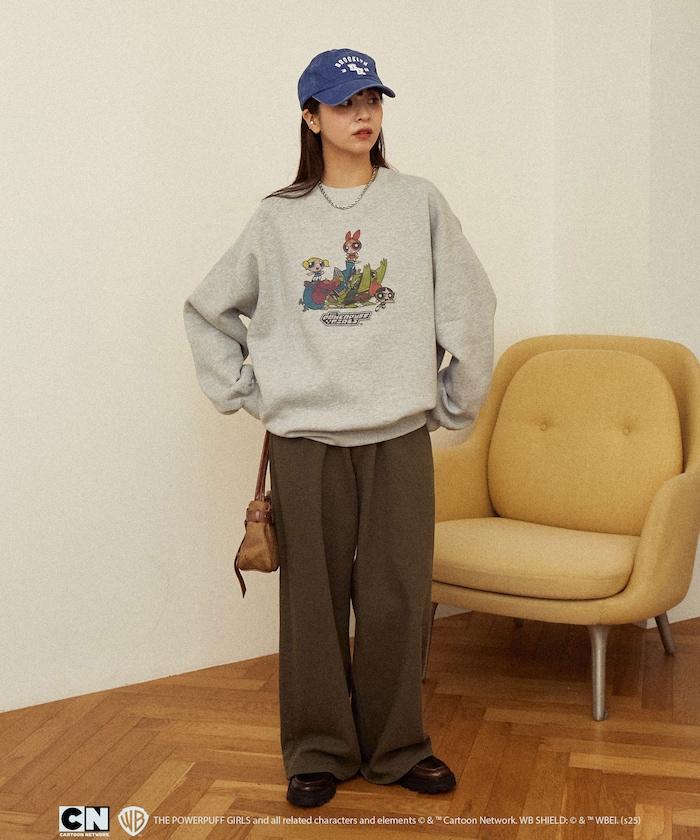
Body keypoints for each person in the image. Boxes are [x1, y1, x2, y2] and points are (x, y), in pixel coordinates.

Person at [183, 48, 497, 808]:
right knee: (312, 605)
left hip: (397, 439)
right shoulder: (277, 218)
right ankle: (318, 749)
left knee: (396, 597)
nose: (363, 115)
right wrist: (255, 394)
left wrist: (452, 403)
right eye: (344, 102)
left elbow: (470, 305)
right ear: (310, 116)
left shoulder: (418, 202)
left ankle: (398, 746)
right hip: (306, 443)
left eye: (372, 100)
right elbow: (207, 310)